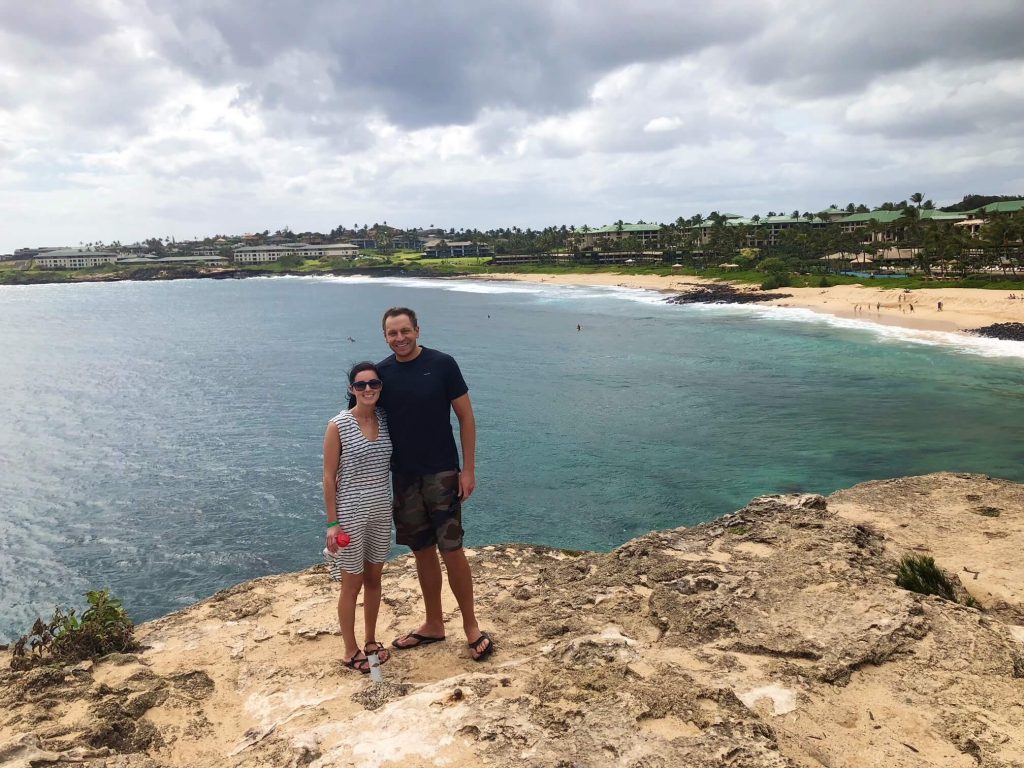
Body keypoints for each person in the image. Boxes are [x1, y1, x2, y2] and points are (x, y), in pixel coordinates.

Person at [376, 307, 494, 662]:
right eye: (392, 333)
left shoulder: (443, 364)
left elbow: (466, 417)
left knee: (452, 550)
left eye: (404, 331)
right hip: (403, 477)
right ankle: (433, 624)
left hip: (442, 473)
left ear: (417, 330)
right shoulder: (380, 375)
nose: (399, 338)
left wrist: (468, 470)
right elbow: (360, 420)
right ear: (385, 337)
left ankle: (471, 626)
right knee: (421, 550)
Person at [322, 362, 394, 673]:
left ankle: (370, 641)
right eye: (361, 384)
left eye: (374, 384)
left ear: (380, 387)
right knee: (351, 584)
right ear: (352, 389)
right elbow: (327, 477)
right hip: (350, 514)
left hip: (381, 510)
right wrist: (332, 523)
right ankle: (350, 651)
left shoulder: (386, 419)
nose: (368, 389)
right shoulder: (338, 425)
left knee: (374, 579)